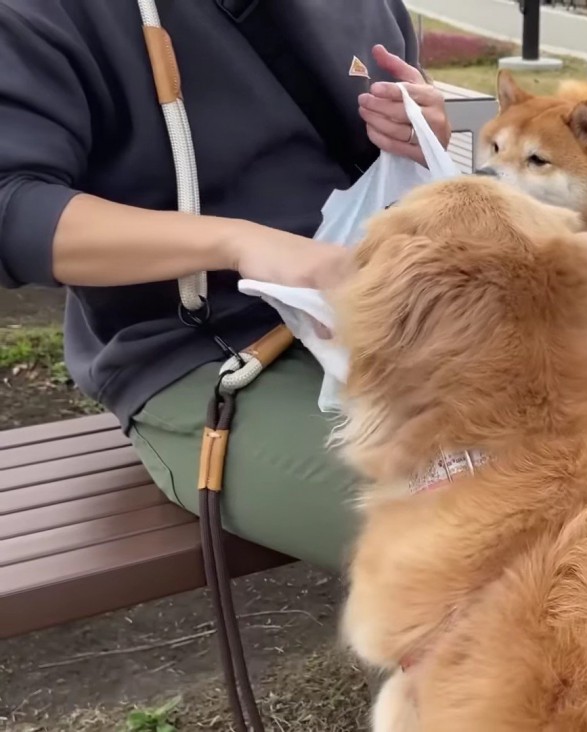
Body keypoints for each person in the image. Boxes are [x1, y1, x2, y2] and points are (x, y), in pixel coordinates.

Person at [0, 1, 452, 571]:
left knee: (559, 468)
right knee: (495, 536)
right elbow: (12, 205)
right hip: (204, 354)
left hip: (387, 318)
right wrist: (239, 242)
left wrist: (419, 129)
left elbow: (379, 154)